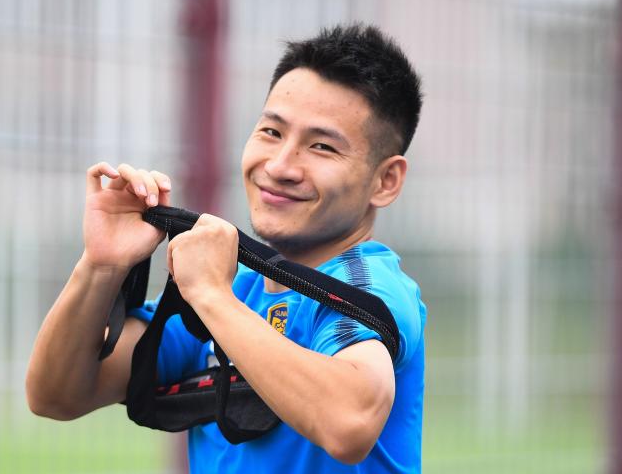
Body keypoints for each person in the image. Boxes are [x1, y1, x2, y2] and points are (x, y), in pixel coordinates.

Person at [26, 23, 426, 474]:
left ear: (385, 180)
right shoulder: (236, 288)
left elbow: (348, 424)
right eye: (271, 132)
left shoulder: (368, 290)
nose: (280, 166)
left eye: (321, 147)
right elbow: (57, 395)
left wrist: (211, 296)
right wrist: (101, 265)